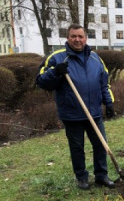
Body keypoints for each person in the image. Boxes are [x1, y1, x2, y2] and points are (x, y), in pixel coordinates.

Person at [36, 23, 116, 190]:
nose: (77, 40)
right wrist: (56, 72)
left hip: (93, 111)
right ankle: (82, 177)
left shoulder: (96, 59)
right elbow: (41, 82)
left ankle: (102, 176)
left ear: (85, 38)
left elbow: (104, 83)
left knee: (101, 145)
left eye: (80, 36)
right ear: (68, 38)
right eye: (74, 36)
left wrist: (109, 103)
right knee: (77, 147)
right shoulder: (57, 58)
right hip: (71, 113)